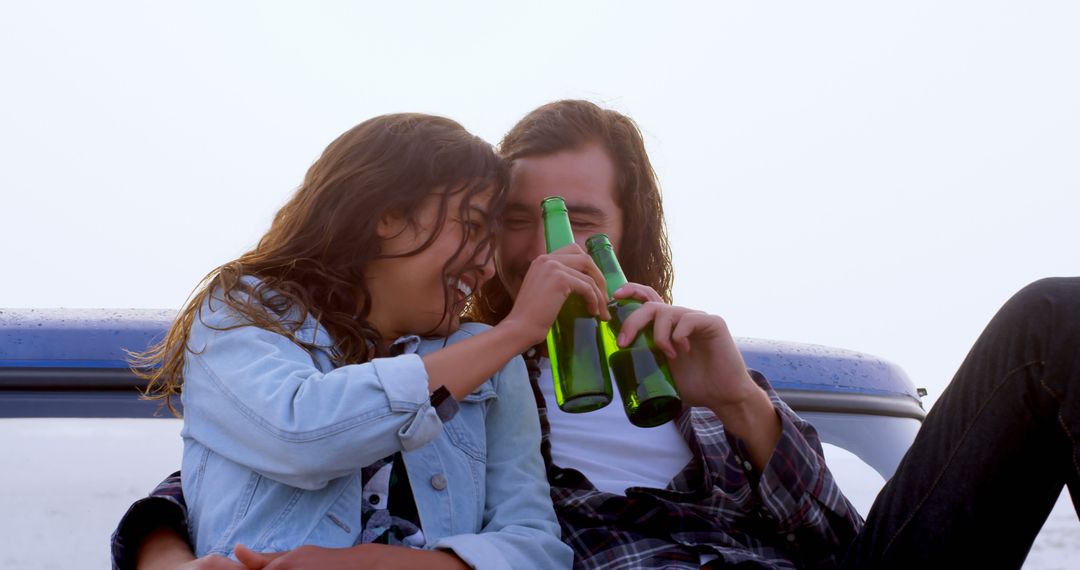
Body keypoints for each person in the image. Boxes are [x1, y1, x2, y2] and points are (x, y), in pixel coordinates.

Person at [115, 101, 1080, 569]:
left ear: (631, 234)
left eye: (580, 221)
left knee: (1054, 319)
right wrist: (167, 557)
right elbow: (262, 455)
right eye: (516, 220)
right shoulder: (450, 370)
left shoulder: (703, 372)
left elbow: (857, 550)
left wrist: (743, 405)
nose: (550, 247)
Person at [120, 113, 587, 569]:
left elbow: (536, 544)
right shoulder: (243, 313)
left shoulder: (492, 358)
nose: (487, 265)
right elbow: (301, 435)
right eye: (470, 227)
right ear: (388, 215)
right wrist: (516, 330)